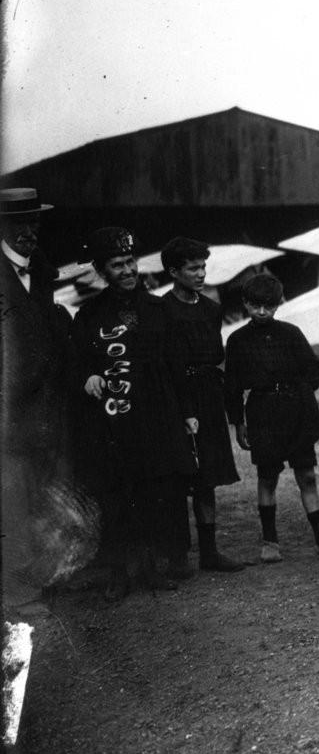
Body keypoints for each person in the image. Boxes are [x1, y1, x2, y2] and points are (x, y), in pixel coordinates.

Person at [72, 227, 196, 599]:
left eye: (130, 262)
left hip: (156, 419)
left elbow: (179, 366)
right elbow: (76, 360)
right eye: (116, 265)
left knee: (155, 492)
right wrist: (88, 376)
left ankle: (151, 568)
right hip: (113, 422)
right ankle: (117, 573)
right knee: (116, 496)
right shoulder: (89, 315)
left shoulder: (160, 310)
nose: (127, 271)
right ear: (101, 270)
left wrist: (187, 411)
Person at [224, 273, 319, 564]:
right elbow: (231, 386)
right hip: (262, 413)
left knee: (306, 475)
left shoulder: (291, 333)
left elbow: (315, 370)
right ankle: (270, 542)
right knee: (267, 477)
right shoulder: (238, 340)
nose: (262, 312)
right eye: (255, 306)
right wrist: (238, 421)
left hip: (296, 411)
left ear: (278, 304)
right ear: (245, 304)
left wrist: (300, 393)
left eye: (268, 306)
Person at [1, 188, 75, 612]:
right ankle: (18, 592)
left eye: (34, 223)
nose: (27, 231)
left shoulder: (41, 272)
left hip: (47, 403)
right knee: (13, 496)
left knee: (45, 490)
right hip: (11, 407)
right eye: (17, 224)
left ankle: (46, 579)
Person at [160, 237, 244, 574]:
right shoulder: (161, 310)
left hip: (208, 395)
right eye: (193, 268)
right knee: (180, 476)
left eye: (203, 267)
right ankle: (178, 556)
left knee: (207, 475)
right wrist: (182, 410)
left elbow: (216, 354)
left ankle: (209, 553)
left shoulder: (211, 309)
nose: (201, 273)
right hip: (176, 397)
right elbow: (164, 363)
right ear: (173, 271)